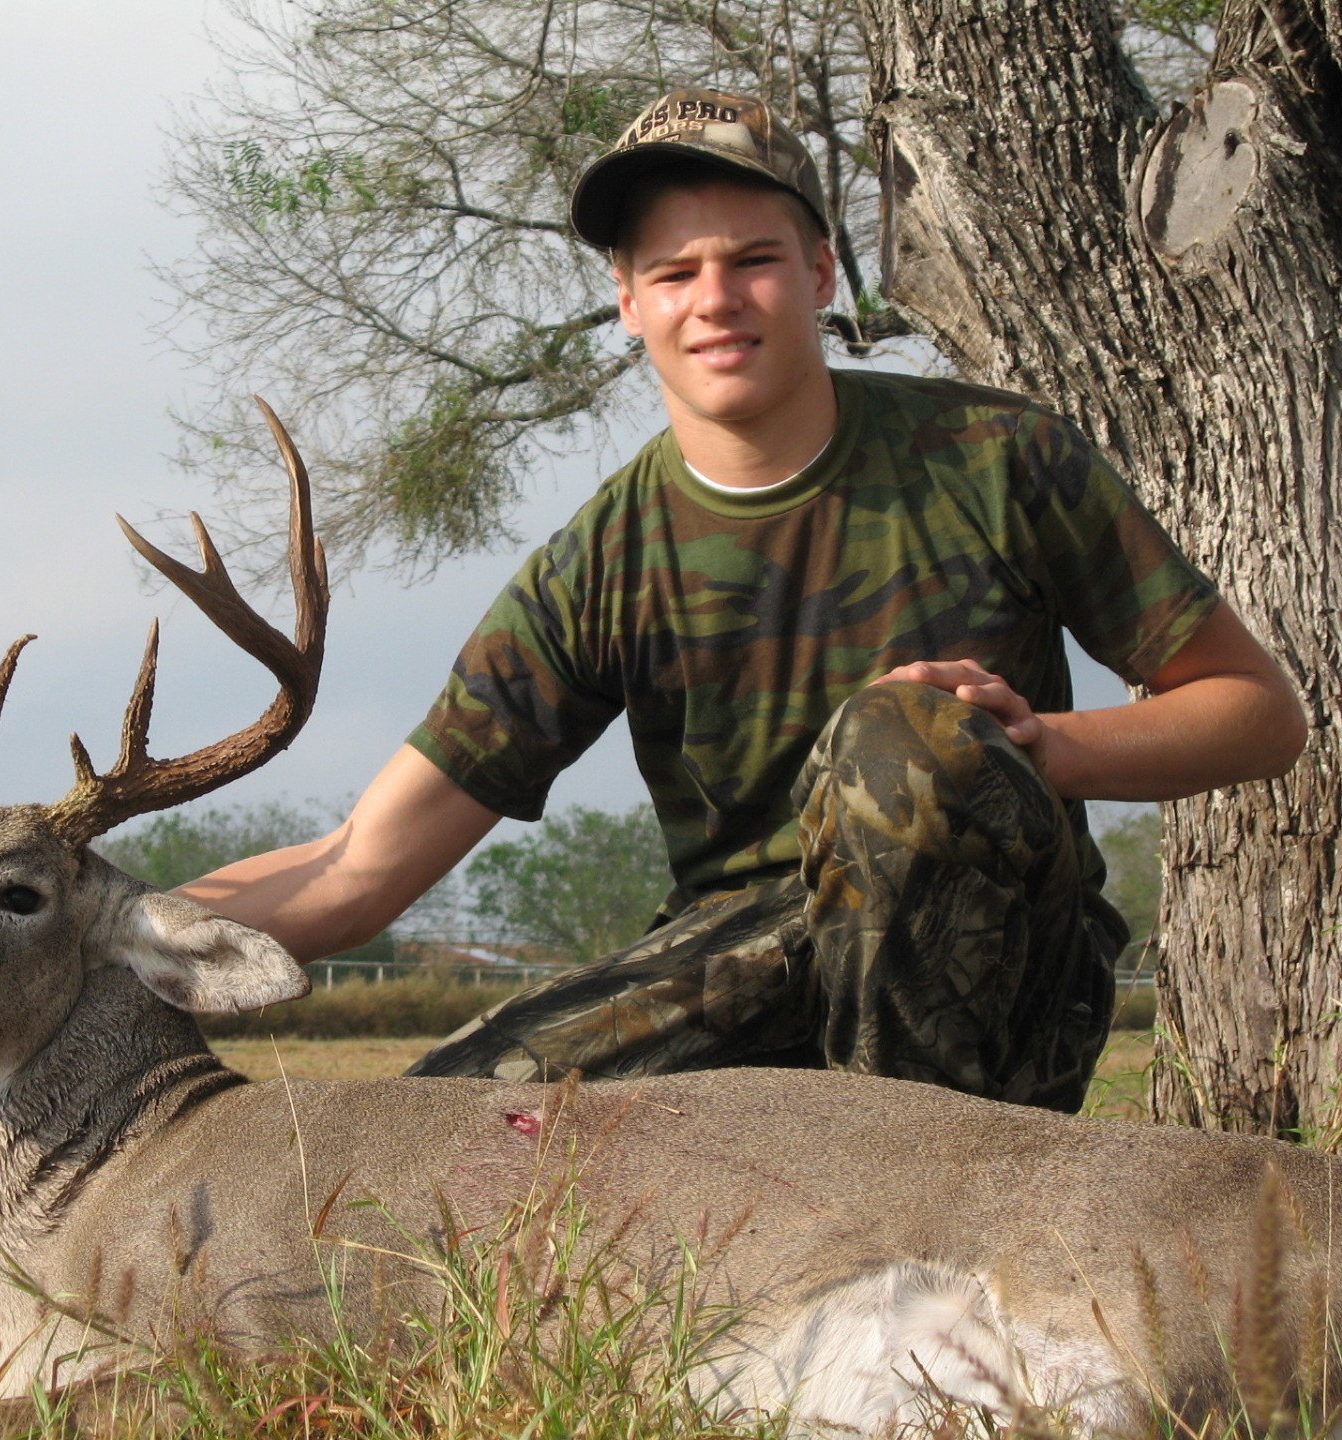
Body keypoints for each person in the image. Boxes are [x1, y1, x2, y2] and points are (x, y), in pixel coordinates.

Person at [179, 89, 1306, 1111]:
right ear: (628, 302)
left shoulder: (998, 457)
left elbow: (1258, 712)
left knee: (904, 740)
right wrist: (83, 922)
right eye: (673, 275)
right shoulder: (604, 562)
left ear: (820, 272)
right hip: (747, 966)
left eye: (753, 261)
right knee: (442, 1127)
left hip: (992, 983)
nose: (715, 301)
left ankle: (932, 1204)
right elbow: (364, 862)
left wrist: (1038, 747)